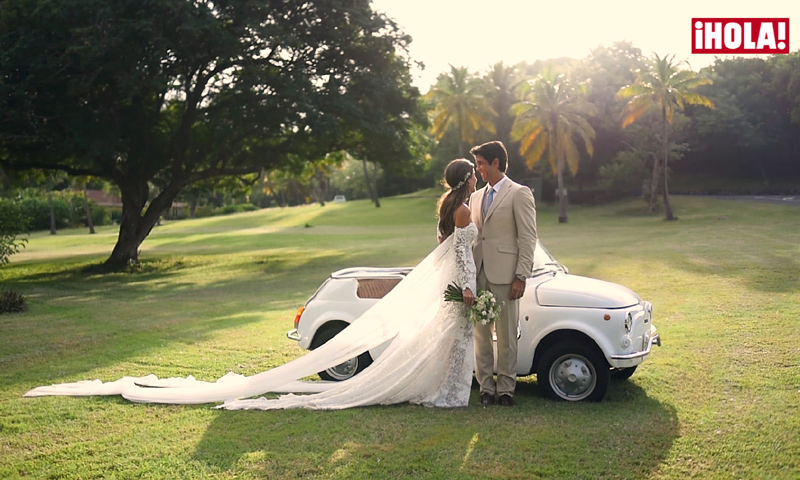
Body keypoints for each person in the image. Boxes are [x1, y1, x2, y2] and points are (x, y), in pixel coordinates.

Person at [25, 160, 480, 410]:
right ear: (468, 179)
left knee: (448, 340)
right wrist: (467, 288)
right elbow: (460, 252)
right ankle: (448, 393)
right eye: (475, 173)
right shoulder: (461, 210)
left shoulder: (451, 207)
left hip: (454, 284)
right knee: (452, 338)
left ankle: (447, 389)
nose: (479, 177)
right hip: (459, 285)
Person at [468, 141, 537, 407]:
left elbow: (528, 238)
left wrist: (521, 275)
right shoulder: (475, 197)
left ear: (496, 163)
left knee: (507, 335)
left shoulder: (519, 193)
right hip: (479, 274)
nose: (479, 170)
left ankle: (506, 389)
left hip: (507, 276)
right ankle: (486, 388)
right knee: (480, 336)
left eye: (482, 164)